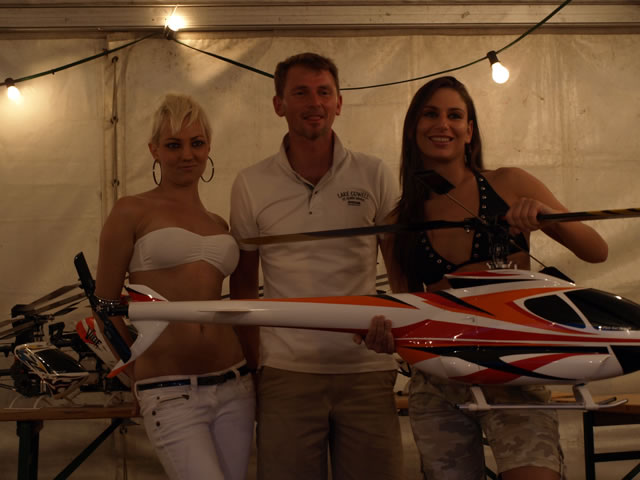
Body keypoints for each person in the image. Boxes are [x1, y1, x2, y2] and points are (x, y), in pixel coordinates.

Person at [382, 76, 608, 480]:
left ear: (469, 130)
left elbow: (596, 250)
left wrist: (546, 217)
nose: (443, 125)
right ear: (413, 127)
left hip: (516, 369)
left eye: (455, 116)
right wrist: (386, 337)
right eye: (431, 114)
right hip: (439, 381)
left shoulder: (510, 183)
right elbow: (406, 310)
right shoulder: (398, 221)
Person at [230, 52, 403, 480]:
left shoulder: (375, 173)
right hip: (286, 374)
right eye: (301, 93)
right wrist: (255, 368)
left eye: (324, 92)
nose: (315, 103)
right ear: (278, 104)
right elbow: (243, 287)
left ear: (339, 102)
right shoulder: (250, 183)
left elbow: (400, 272)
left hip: (366, 371)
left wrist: (404, 340)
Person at [94, 93, 255, 480]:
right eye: (173, 144)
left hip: (235, 382)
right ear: (154, 150)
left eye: (196, 143)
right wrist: (135, 373)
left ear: (208, 147)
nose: (186, 154)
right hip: (168, 387)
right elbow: (104, 306)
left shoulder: (219, 222)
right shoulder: (131, 210)